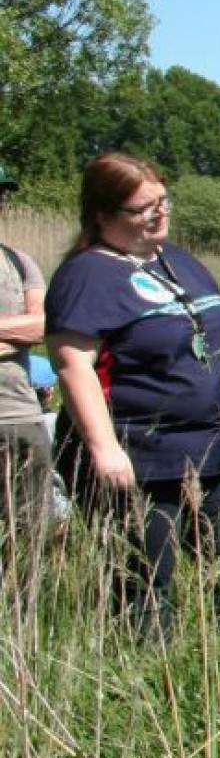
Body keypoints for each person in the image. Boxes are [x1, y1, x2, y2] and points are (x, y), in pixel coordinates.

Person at [46, 153, 220, 634]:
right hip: (138, 451)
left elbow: (215, 339)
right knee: (146, 575)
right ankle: (148, 672)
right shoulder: (86, 276)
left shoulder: (177, 259)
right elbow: (72, 364)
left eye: (163, 200)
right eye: (142, 208)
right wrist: (104, 449)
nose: (159, 213)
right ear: (102, 215)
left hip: (209, 446)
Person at [1, 237, 50, 556]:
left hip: (20, 415)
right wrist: (14, 334)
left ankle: (19, 607)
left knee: (27, 535)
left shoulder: (17, 261)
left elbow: (45, 325)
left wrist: (30, 330)